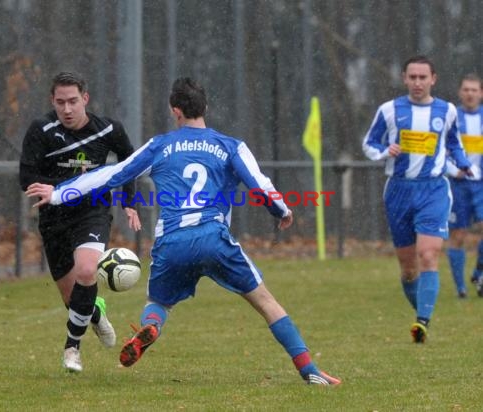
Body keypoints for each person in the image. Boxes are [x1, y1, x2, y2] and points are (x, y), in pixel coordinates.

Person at [26, 77, 341, 385]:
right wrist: (281, 209)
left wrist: (57, 193)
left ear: (174, 110)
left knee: (159, 303)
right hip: (213, 238)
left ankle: (150, 327)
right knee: (266, 302)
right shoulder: (229, 146)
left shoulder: (161, 146)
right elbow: (259, 184)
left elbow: (112, 174)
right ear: (205, 107)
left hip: (172, 242)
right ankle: (308, 368)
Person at [19, 72, 141, 372]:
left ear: (85, 99)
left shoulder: (109, 129)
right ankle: (95, 314)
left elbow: (130, 163)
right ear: (53, 101)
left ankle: (72, 348)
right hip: (53, 219)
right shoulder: (41, 130)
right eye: (60, 102)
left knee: (88, 270)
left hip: (93, 210)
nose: (67, 109)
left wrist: (129, 202)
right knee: (72, 296)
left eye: (73, 101)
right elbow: (26, 178)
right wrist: (55, 188)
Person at [362, 56, 472, 343]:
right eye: (412, 77)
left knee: (428, 254)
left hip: (433, 189)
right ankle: (421, 312)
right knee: (409, 268)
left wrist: (463, 164)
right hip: (398, 191)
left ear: (433, 79)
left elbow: (453, 144)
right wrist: (385, 151)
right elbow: (369, 144)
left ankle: (422, 321)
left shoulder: (446, 110)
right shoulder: (389, 110)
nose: (418, 82)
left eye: (423, 77)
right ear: (404, 79)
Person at [445, 73, 483, 298]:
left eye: (474, 90)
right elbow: (441, 148)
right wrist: (453, 169)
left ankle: (479, 270)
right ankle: (460, 288)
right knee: (457, 235)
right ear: (460, 93)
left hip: (481, 184)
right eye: (466, 89)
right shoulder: (452, 118)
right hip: (458, 185)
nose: (470, 93)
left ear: (481, 93)